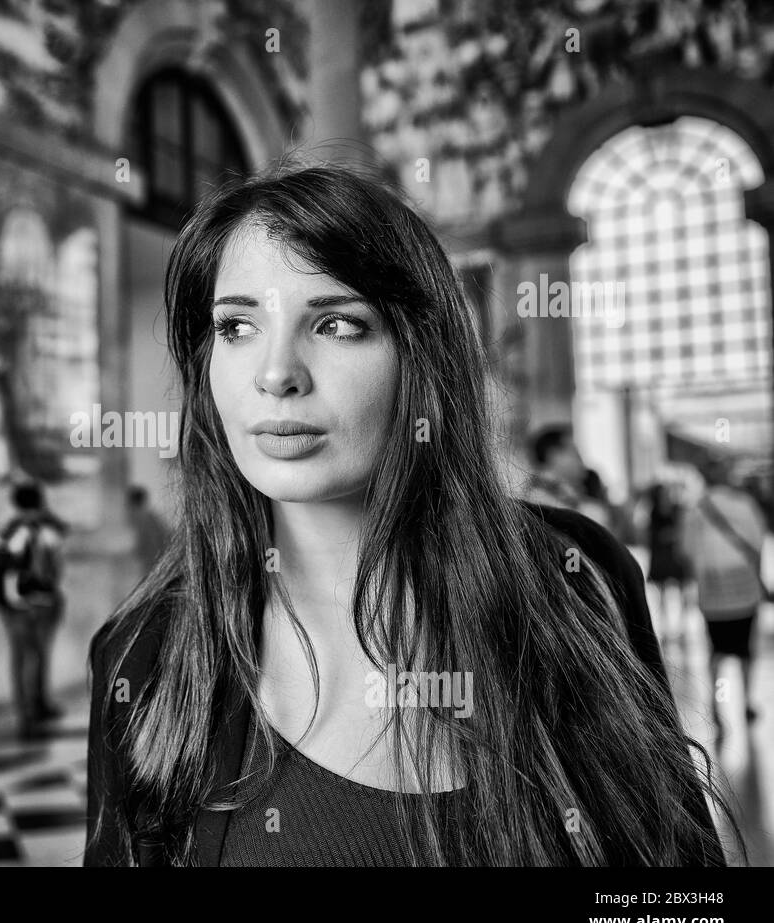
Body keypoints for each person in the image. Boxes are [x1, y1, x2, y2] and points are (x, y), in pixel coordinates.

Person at [84, 163, 736, 867]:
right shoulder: (145, 654)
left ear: (420, 354)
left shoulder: (577, 575)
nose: (276, 373)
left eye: (335, 323)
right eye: (237, 325)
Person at [681, 458, 768, 740]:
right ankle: (745, 702)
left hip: (714, 592)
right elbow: (757, 542)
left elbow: (687, 551)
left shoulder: (695, 511)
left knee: (716, 651)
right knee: (745, 650)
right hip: (744, 589)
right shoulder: (745, 504)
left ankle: (717, 707)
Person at [0, 481, 69, 740]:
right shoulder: (41, 530)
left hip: (16, 605)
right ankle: (31, 714)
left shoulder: (6, 530)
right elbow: (61, 538)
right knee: (34, 657)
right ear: (39, 502)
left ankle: (33, 709)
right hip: (37, 602)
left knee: (26, 658)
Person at [642, 481, 692, 648]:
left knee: (680, 593)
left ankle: (681, 628)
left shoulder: (675, 510)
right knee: (662, 595)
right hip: (662, 558)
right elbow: (647, 535)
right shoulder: (653, 512)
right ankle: (665, 628)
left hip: (674, 557)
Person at [125, 485, 171, 570]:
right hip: (157, 561)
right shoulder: (150, 517)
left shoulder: (144, 519)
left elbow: (149, 545)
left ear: (133, 504)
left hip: (157, 562)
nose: (128, 510)